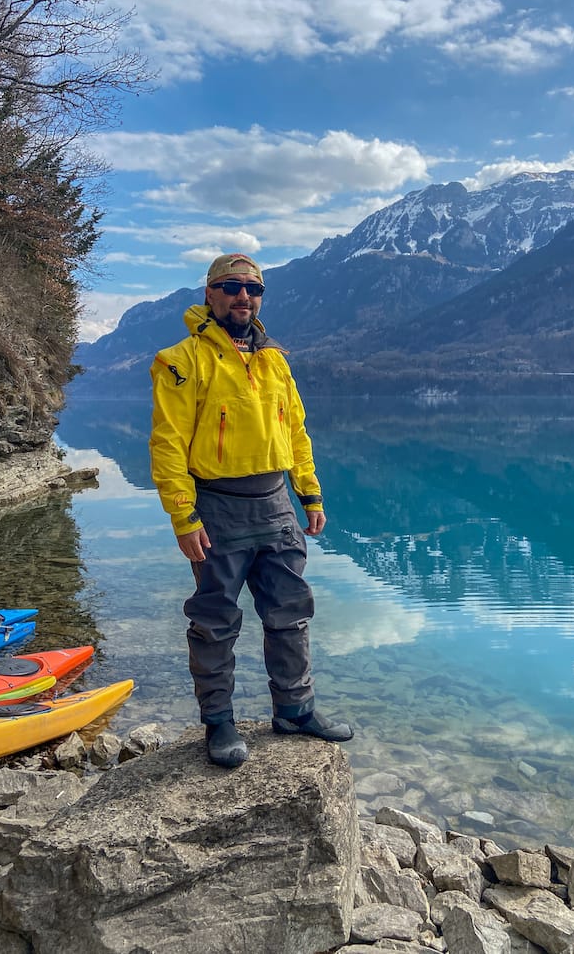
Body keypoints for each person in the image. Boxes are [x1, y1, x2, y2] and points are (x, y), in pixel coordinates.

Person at [149, 253, 353, 767]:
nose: (245, 296)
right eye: (232, 286)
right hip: (216, 508)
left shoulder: (275, 360)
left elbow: (297, 433)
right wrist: (183, 515)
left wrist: (310, 494)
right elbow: (167, 445)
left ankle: (295, 709)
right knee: (215, 620)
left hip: (277, 504)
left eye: (254, 288)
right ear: (210, 294)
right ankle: (218, 723)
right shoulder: (179, 360)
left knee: (291, 612)